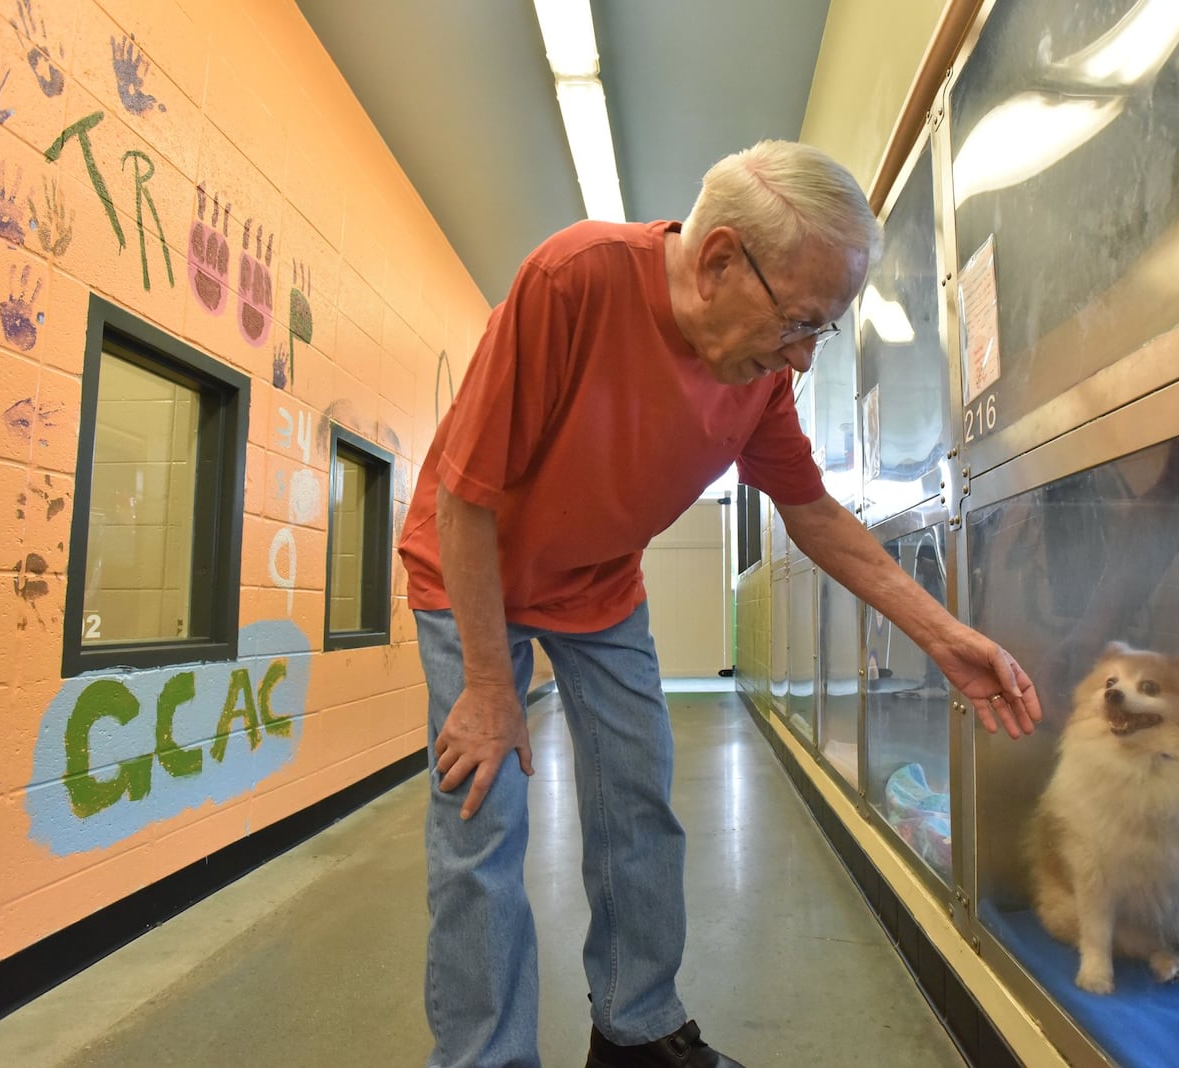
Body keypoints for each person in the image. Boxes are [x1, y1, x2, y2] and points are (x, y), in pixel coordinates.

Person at [398, 140, 1043, 1068]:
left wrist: (944, 637)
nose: (804, 357)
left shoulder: (761, 374)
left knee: (638, 801)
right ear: (718, 261)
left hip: (599, 585)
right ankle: (484, 1057)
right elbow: (463, 496)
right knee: (482, 817)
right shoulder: (572, 279)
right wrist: (493, 688)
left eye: (821, 332)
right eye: (801, 324)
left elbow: (812, 512)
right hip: (471, 571)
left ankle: (637, 1031)